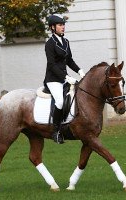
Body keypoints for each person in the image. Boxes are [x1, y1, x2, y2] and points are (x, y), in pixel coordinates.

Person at [44, 14, 85, 144]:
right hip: (53, 79)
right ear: (53, 27)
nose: (63, 27)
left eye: (63, 25)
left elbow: (69, 61)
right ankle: (55, 131)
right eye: (60, 25)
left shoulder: (66, 42)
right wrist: (66, 77)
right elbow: (51, 64)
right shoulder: (49, 44)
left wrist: (80, 71)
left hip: (64, 78)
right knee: (60, 102)